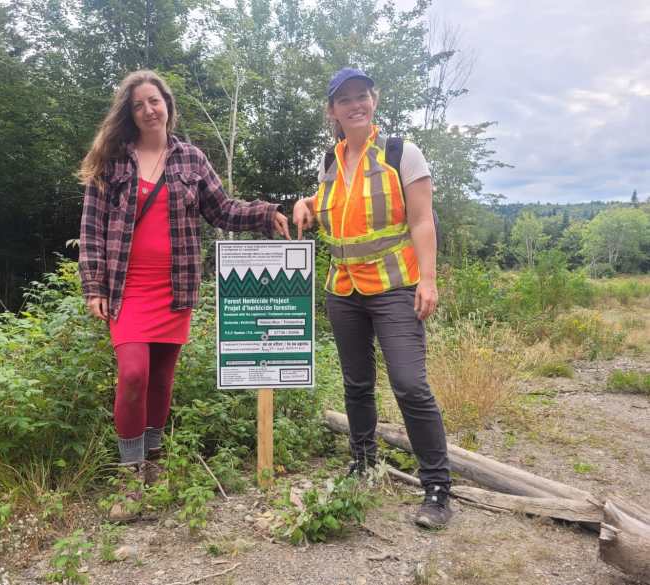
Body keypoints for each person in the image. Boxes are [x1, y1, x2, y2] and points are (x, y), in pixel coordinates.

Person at [78, 70, 290, 520]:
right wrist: (93, 285)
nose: (149, 110)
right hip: (126, 286)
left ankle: (153, 461)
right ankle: (129, 474)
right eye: (139, 105)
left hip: (175, 287)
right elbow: (91, 228)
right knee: (133, 373)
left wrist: (266, 213)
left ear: (168, 105)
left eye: (154, 101)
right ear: (129, 114)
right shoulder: (113, 162)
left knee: (161, 379)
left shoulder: (191, 159)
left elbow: (223, 209)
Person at [292, 67, 453, 529]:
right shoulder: (330, 160)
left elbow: (423, 221)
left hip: (395, 287)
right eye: (345, 100)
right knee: (356, 384)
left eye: (362, 96)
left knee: (409, 383)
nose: (355, 105)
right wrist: (306, 203)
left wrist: (428, 280)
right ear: (333, 111)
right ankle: (362, 465)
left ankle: (437, 488)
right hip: (344, 289)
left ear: (374, 101)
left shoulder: (403, 153)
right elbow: (334, 201)